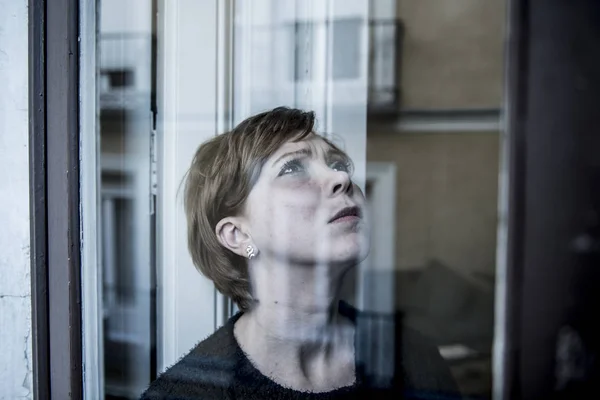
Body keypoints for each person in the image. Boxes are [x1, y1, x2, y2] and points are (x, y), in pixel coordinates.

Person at [141, 107, 462, 399]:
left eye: (338, 164)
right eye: (292, 168)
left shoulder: (413, 357)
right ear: (238, 235)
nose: (342, 177)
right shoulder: (188, 393)